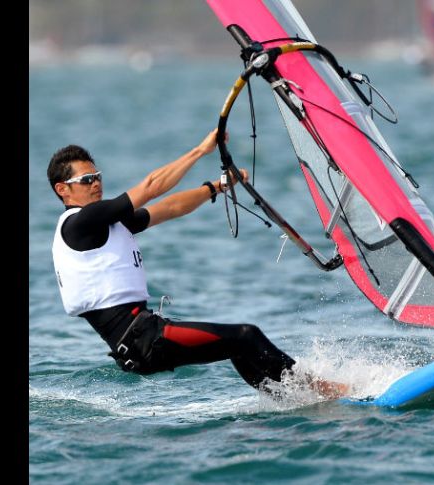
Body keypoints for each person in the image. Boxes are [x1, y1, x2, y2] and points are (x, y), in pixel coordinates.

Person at [47, 128, 347, 399]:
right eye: (86, 180)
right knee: (246, 335)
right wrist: (201, 150)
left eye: (98, 176)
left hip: (141, 340)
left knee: (239, 345)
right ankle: (324, 391)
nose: (96, 183)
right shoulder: (80, 223)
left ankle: (290, 399)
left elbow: (170, 207)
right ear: (63, 189)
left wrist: (217, 187)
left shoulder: (102, 226)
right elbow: (151, 186)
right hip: (145, 339)